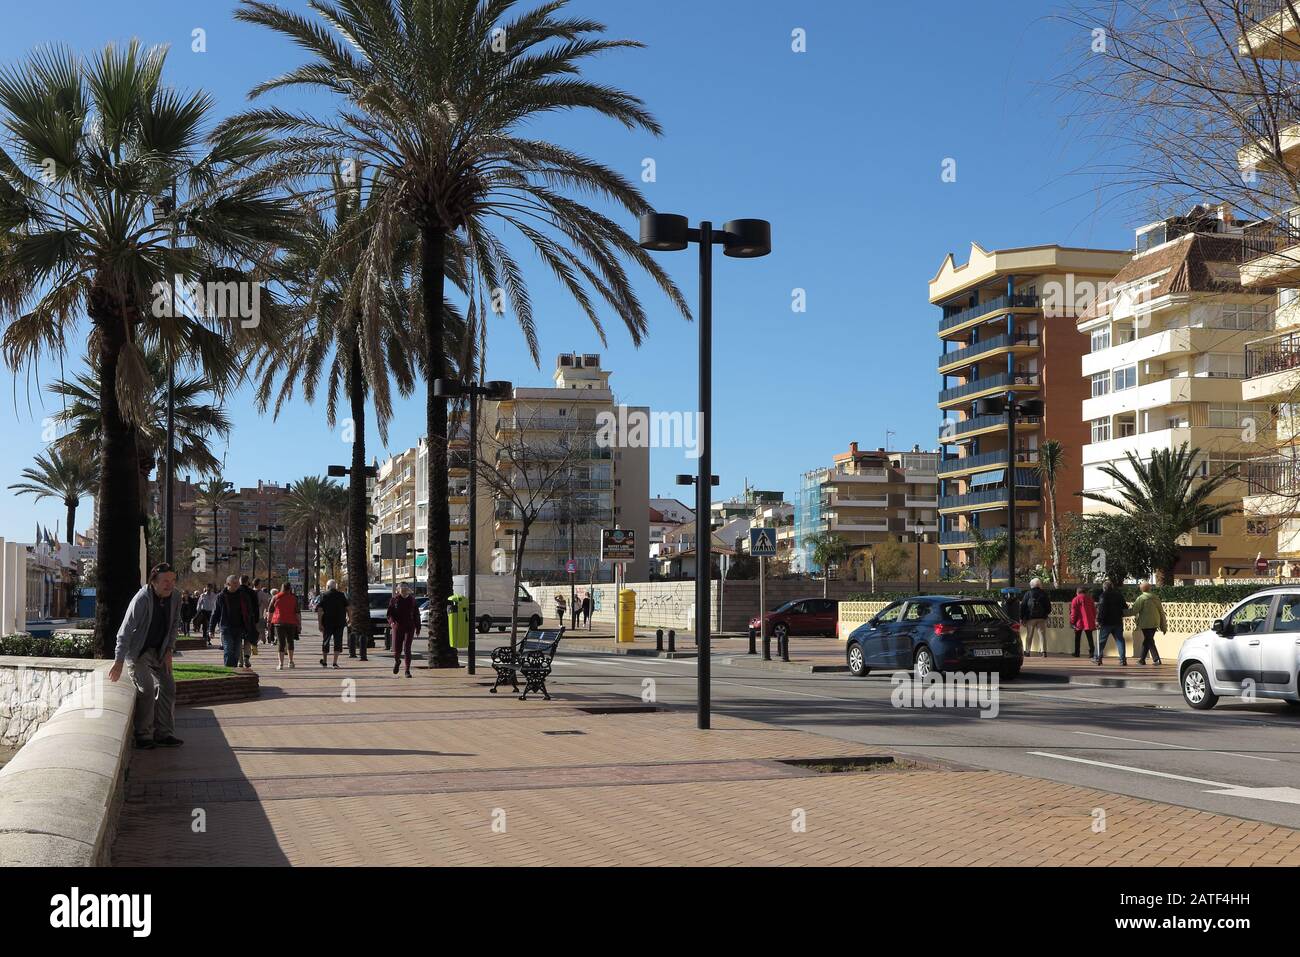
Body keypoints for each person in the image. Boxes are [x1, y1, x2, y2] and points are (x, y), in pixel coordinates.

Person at [108, 563, 184, 749]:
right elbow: (124, 631)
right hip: (139, 652)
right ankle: (143, 735)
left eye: (172, 580)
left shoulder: (175, 597)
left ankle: (163, 733)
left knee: (168, 686)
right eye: (165, 581)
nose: (170, 585)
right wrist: (118, 661)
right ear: (153, 582)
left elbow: (174, 625)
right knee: (147, 689)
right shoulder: (141, 598)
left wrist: (168, 651)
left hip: (159, 651)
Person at [211, 575, 250, 668]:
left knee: (236, 652)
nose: (237, 585)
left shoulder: (242, 595)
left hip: (239, 628)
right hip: (226, 627)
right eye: (234, 583)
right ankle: (229, 671)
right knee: (228, 650)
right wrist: (211, 629)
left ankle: (233, 669)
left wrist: (249, 625)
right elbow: (215, 613)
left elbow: (248, 611)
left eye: (237, 583)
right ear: (228, 584)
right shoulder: (221, 596)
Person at [387, 583, 420, 677]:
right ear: (398, 590)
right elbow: (389, 614)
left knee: (407, 648)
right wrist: (392, 622)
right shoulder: (394, 600)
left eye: (406, 588)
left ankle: (407, 670)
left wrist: (418, 627)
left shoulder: (412, 600)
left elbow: (416, 614)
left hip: (410, 627)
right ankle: (397, 661)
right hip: (398, 627)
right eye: (402, 588)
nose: (404, 590)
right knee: (397, 650)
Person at [1131, 582, 1167, 665]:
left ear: (1141, 589)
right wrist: (1163, 626)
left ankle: (1156, 659)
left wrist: (1122, 613)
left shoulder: (1141, 598)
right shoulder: (1156, 598)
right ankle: (1142, 660)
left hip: (1146, 623)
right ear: (1150, 588)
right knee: (1148, 640)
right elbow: (1161, 612)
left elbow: (1134, 610)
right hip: (1155, 622)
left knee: (1149, 640)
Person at [317, 579, 349, 668]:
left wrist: (320, 623)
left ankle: (325, 661)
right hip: (340, 622)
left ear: (327, 587)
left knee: (326, 641)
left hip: (327, 623)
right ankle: (335, 662)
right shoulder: (342, 595)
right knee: (338, 642)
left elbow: (320, 610)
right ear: (336, 587)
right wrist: (349, 618)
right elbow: (348, 607)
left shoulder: (324, 595)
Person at [269, 580, 301, 670]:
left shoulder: (275, 597)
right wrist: (299, 624)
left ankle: (281, 664)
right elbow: (297, 612)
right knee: (290, 642)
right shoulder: (294, 598)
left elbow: (270, 610)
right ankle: (290, 661)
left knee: (281, 643)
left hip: (278, 622)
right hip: (291, 622)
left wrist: (269, 621)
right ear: (290, 589)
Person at [1096, 580, 1129, 665]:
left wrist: (1099, 620)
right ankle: (1123, 660)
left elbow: (1102, 610)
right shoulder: (1119, 595)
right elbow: (1125, 607)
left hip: (1106, 622)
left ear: (1104, 588)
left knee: (1101, 641)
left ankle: (1097, 658)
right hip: (1118, 621)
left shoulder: (1103, 596)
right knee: (1120, 640)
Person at [1019, 577, 1052, 658]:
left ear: (1031, 585)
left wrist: (1021, 617)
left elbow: (1023, 606)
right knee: (1042, 635)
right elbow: (1048, 606)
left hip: (1030, 618)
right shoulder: (1044, 593)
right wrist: (1046, 614)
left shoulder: (1028, 593)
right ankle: (1043, 651)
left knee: (1029, 635)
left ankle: (1027, 651)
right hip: (1041, 618)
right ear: (1039, 584)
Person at [1068, 585, 1097, 659]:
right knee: (1089, 637)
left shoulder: (1075, 599)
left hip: (1079, 621)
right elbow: (1094, 610)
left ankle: (1077, 652)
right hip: (1088, 621)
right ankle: (1092, 652)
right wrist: (1094, 619)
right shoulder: (1090, 599)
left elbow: (1073, 612)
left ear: (1077, 592)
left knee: (1077, 637)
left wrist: (1072, 621)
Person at [237, 575, 260, 668]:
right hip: (249, 619)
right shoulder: (252, 592)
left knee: (238, 640)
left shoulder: (236, 591)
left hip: (238, 619)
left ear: (240, 581)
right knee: (248, 640)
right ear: (247, 582)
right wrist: (256, 619)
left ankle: (240, 660)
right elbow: (256, 607)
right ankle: (246, 658)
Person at [254, 579, 273, 644]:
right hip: (259, 614)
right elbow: (266, 604)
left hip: (250, 615)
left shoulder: (250, 592)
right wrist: (268, 611)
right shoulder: (262, 594)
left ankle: (254, 642)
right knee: (261, 629)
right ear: (259, 584)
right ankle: (261, 640)